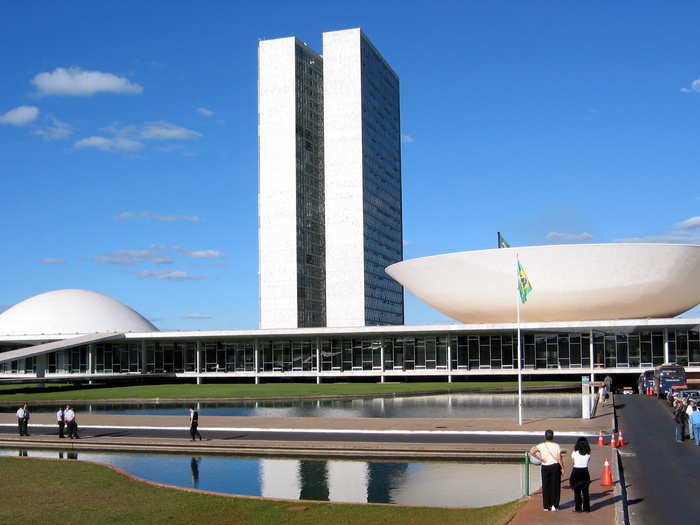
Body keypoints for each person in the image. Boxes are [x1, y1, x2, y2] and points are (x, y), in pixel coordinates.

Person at [530, 429, 564, 511]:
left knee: (546, 486)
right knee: (555, 486)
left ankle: (546, 506)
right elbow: (559, 458)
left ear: (545, 436)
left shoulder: (541, 445)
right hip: (555, 466)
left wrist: (540, 459)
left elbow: (531, 452)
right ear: (552, 437)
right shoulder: (556, 446)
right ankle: (554, 505)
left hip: (545, 467)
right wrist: (562, 467)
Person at [570, 437, 592, 513]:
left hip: (576, 472)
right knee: (586, 492)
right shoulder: (588, 453)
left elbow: (573, 463)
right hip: (585, 472)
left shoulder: (574, 453)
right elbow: (588, 461)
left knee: (577, 492)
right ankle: (586, 508)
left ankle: (578, 508)